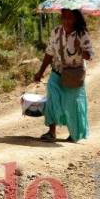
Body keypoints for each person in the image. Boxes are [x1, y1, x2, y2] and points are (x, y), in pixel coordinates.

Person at [33, 9, 93, 142]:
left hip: (74, 74)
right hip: (57, 71)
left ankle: (74, 134)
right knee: (52, 100)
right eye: (64, 17)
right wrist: (40, 72)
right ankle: (51, 132)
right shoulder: (56, 32)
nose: (66, 20)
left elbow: (89, 56)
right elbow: (49, 53)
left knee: (72, 104)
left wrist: (80, 49)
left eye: (70, 17)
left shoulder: (82, 34)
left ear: (76, 19)